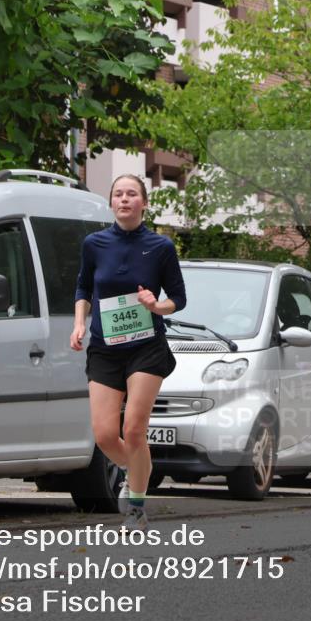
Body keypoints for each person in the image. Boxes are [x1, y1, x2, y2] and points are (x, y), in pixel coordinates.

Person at [71, 174, 186, 530]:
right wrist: (78, 324)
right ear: (111, 202)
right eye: (118, 194)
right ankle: (134, 469)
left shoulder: (161, 247)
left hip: (146, 347)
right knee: (105, 434)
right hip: (105, 348)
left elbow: (178, 299)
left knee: (134, 429)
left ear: (144, 203)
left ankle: (136, 506)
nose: (124, 199)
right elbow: (83, 288)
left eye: (132, 194)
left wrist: (156, 305)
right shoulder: (94, 244)